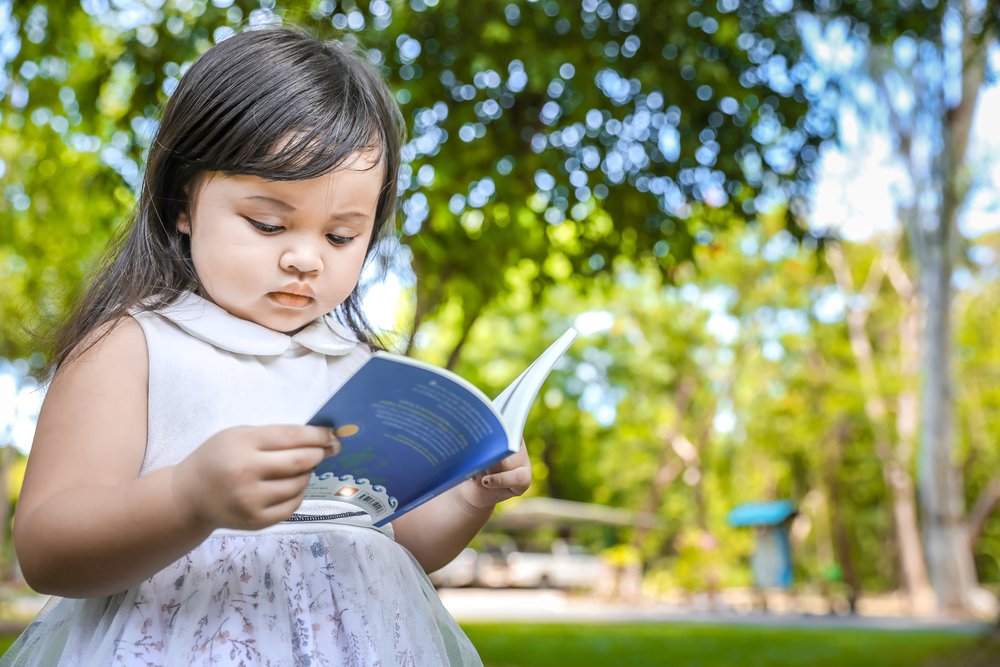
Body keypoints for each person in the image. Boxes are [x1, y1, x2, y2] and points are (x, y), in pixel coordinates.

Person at [4, 26, 531, 666]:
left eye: (341, 236)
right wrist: (187, 498)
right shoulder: (135, 347)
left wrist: (472, 494)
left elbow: (398, 546)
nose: (305, 257)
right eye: (268, 223)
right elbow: (47, 549)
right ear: (183, 203)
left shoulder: (356, 368)